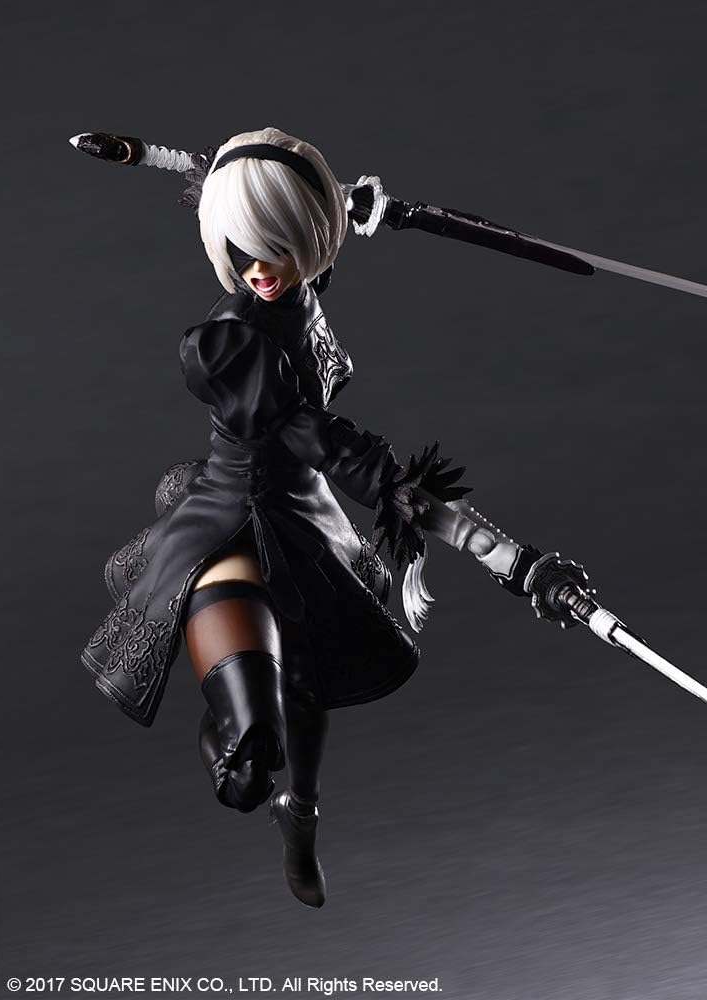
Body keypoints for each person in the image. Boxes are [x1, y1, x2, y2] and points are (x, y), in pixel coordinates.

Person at [81, 127, 570, 908]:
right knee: (248, 764)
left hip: (305, 526)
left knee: (306, 696)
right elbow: (343, 454)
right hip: (227, 529)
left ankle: (300, 812)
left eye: (278, 248)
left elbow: (277, 216)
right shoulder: (233, 342)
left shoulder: (301, 283)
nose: (259, 269)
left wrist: (344, 207)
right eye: (242, 249)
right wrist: (504, 557)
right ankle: (242, 741)